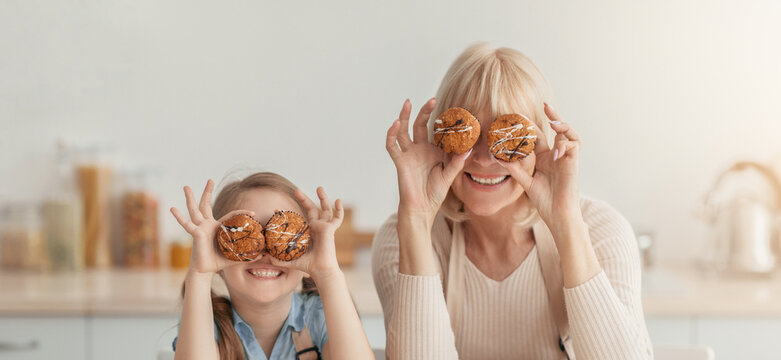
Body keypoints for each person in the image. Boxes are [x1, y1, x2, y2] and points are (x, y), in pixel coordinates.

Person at [373, 43, 653, 359]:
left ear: (540, 142)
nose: (482, 158)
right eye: (468, 133)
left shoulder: (602, 231)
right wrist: (416, 220)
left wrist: (566, 222)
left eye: (504, 138)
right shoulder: (402, 238)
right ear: (441, 136)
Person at [170, 172, 375, 360]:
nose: (264, 250)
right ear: (220, 250)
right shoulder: (207, 322)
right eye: (246, 233)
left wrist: (328, 274)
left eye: (283, 236)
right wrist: (200, 274)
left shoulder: (318, 316)